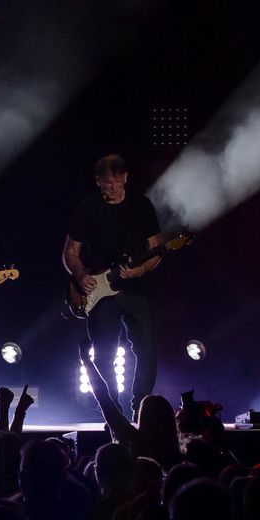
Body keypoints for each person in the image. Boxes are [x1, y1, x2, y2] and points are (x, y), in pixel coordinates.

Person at [62, 154, 162, 424]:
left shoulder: (141, 206)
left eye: (118, 181)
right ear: (98, 183)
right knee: (103, 353)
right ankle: (112, 412)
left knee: (147, 350)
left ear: (126, 178)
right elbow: (70, 251)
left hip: (135, 290)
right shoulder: (87, 209)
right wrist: (81, 275)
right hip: (100, 293)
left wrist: (140, 269)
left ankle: (140, 407)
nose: (114, 187)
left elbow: (156, 249)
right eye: (107, 183)